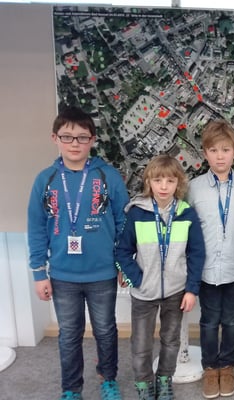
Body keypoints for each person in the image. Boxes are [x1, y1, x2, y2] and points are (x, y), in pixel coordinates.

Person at [27, 106, 130, 400]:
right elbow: (36, 227)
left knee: (106, 330)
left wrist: (124, 265)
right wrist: (39, 273)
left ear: (92, 140)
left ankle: (108, 379)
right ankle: (71, 388)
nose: (75, 143)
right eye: (67, 137)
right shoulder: (45, 180)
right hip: (63, 275)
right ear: (55, 138)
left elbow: (123, 222)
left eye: (82, 137)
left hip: (102, 273)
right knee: (69, 334)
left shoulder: (108, 176)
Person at [114, 154, 206, 400]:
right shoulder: (137, 213)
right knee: (141, 344)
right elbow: (122, 251)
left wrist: (191, 289)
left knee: (171, 341)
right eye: (158, 180)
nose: (164, 186)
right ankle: (144, 384)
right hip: (143, 293)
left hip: (176, 291)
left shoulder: (186, 214)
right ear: (148, 182)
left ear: (179, 183)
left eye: (170, 180)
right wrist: (137, 278)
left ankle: (165, 380)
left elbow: (197, 254)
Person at [187, 120, 234, 399]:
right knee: (208, 320)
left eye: (226, 150)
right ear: (205, 152)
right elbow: (187, 229)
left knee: (231, 319)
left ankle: (227, 366)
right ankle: (210, 368)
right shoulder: (193, 188)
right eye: (214, 150)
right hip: (205, 269)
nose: (220, 156)